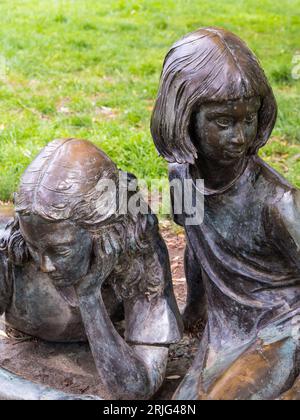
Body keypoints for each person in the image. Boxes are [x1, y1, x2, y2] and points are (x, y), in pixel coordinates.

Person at [151, 27, 300, 400]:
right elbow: (197, 248)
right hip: (228, 323)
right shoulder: (182, 175)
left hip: (284, 324)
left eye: (249, 120)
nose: (240, 137)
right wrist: (195, 315)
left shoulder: (278, 202)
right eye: (223, 122)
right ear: (184, 118)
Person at [0, 138, 182, 400]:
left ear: (103, 232)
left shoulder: (139, 255)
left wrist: (89, 297)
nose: (44, 265)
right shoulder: (9, 246)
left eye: (60, 251)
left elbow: (137, 389)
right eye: (33, 246)